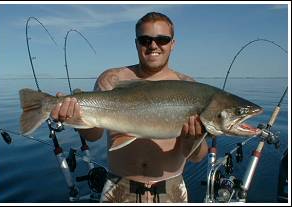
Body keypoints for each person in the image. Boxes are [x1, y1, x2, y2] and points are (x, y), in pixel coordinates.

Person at [51, 12, 208, 203]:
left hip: (171, 188)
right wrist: (74, 117)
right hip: (119, 187)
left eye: (162, 39)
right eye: (145, 40)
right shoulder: (112, 78)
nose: (153, 45)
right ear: (136, 43)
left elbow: (197, 158)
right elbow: (94, 135)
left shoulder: (188, 86)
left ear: (172, 44)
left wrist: (194, 139)